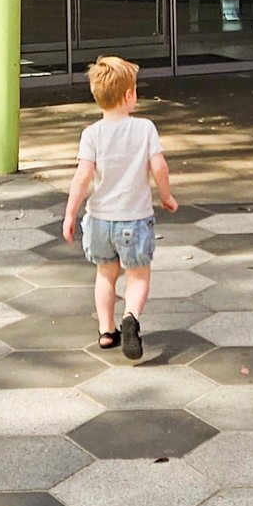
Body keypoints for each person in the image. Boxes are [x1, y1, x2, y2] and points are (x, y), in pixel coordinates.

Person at [62, 55, 177, 359]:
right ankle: (131, 318)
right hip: (135, 220)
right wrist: (166, 195)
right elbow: (159, 167)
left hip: (99, 220)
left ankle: (106, 329)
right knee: (138, 276)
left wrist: (70, 213)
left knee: (105, 275)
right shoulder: (145, 129)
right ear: (129, 95)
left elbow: (82, 176)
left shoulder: (91, 134)